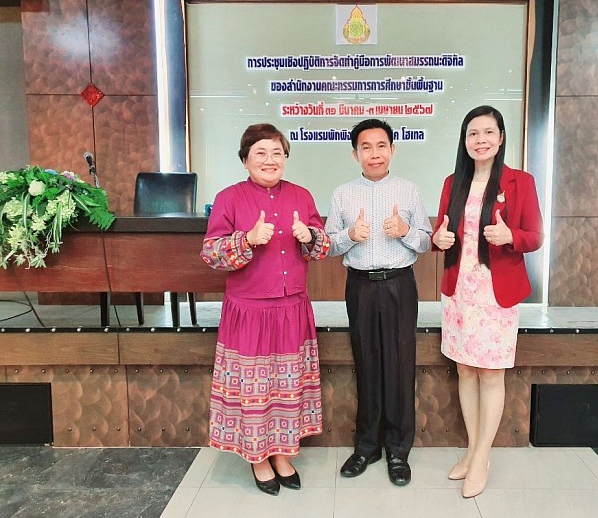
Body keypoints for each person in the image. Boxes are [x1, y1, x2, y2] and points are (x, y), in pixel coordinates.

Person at [200, 123, 330, 496]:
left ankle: (283, 455)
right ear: (245, 160)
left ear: (285, 158)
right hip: (249, 312)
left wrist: (310, 236)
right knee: (254, 390)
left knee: (287, 387)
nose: (270, 160)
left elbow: (322, 247)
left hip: (292, 309)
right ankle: (258, 458)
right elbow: (210, 253)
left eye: (277, 153)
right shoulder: (229, 198)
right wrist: (248, 239)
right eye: (260, 153)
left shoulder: (301, 196)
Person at [432, 105, 544, 498]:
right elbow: (442, 232)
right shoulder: (453, 182)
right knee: (465, 370)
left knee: (491, 373)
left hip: (496, 294)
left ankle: (481, 457)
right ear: (464, 140)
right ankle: (472, 449)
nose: (480, 140)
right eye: (473, 134)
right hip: (459, 292)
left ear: (500, 138)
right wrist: (438, 239)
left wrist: (511, 236)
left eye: (488, 132)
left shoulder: (520, 181)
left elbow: (535, 236)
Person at [325, 118, 433, 486]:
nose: (374, 154)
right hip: (361, 287)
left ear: (393, 150)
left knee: (400, 365)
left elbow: (426, 241)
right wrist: (349, 235)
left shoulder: (409, 190)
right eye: (366, 147)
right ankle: (367, 446)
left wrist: (405, 231)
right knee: (366, 363)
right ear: (354, 153)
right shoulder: (342, 194)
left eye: (381, 145)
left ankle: (398, 451)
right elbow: (329, 245)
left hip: (399, 284)